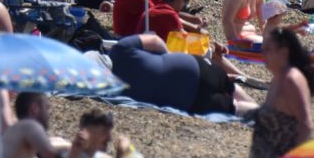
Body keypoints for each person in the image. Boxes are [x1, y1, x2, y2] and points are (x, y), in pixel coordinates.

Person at [250, 29, 314, 158]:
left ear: (284, 51)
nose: (263, 54)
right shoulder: (279, 78)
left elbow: (305, 123)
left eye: (268, 50)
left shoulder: (291, 79)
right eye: (262, 49)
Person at [108, 34, 255, 116]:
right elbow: (156, 41)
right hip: (192, 67)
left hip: (189, 98)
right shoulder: (120, 49)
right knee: (230, 88)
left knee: (235, 107)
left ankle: (270, 116)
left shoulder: (106, 89)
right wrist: (167, 60)